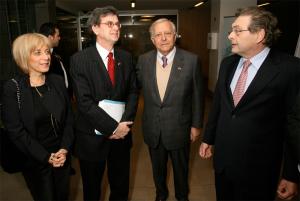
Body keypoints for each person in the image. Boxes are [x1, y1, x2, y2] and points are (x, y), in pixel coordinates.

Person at [199, 6, 300, 200]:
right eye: (231, 30)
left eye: (237, 31)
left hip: (259, 168)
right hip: (223, 163)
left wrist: (291, 174)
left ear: (259, 34)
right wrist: (208, 138)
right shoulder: (227, 63)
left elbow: (294, 126)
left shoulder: (290, 69)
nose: (230, 36)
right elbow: (219, 105)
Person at [69, 6, 138, 201]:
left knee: (120, 186)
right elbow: (84, 102)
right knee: (92, 189)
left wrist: (125, 124)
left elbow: (133, 92)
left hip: (122, 135)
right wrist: (113, 128)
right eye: (110, 24)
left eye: (117, 24)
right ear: (95, 28)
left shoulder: (125, 57)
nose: (116, 27)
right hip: (92, 138)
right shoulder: (79, 60)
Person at [136, 18, 204, 201]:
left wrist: (196, 124)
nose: (163, 38)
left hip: (180, 127)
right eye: (158, 35)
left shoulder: (191, 60)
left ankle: (182, 196)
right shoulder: (143, 61)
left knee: (181, 169)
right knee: (157, 168)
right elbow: (133, 90)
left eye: (167, 33)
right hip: (153, 128)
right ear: (152, 39)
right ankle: (161, 194)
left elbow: (198, 95)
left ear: (175, 36)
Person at [1, 33, 74, 200]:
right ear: (24, 57)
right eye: (38, 53)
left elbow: (69, 118)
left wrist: (64, 149)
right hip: (35, 159)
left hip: (62, 156)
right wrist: (46, 157)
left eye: (47, 51)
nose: (46, 57)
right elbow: (15, 131)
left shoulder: (56, 81)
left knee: (62, 196)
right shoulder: (13, 88)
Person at [39, 22, 71, 95]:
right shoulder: (42, 58)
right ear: (50, 37)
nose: (59, 38)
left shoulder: (56, 53)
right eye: (58, 36)